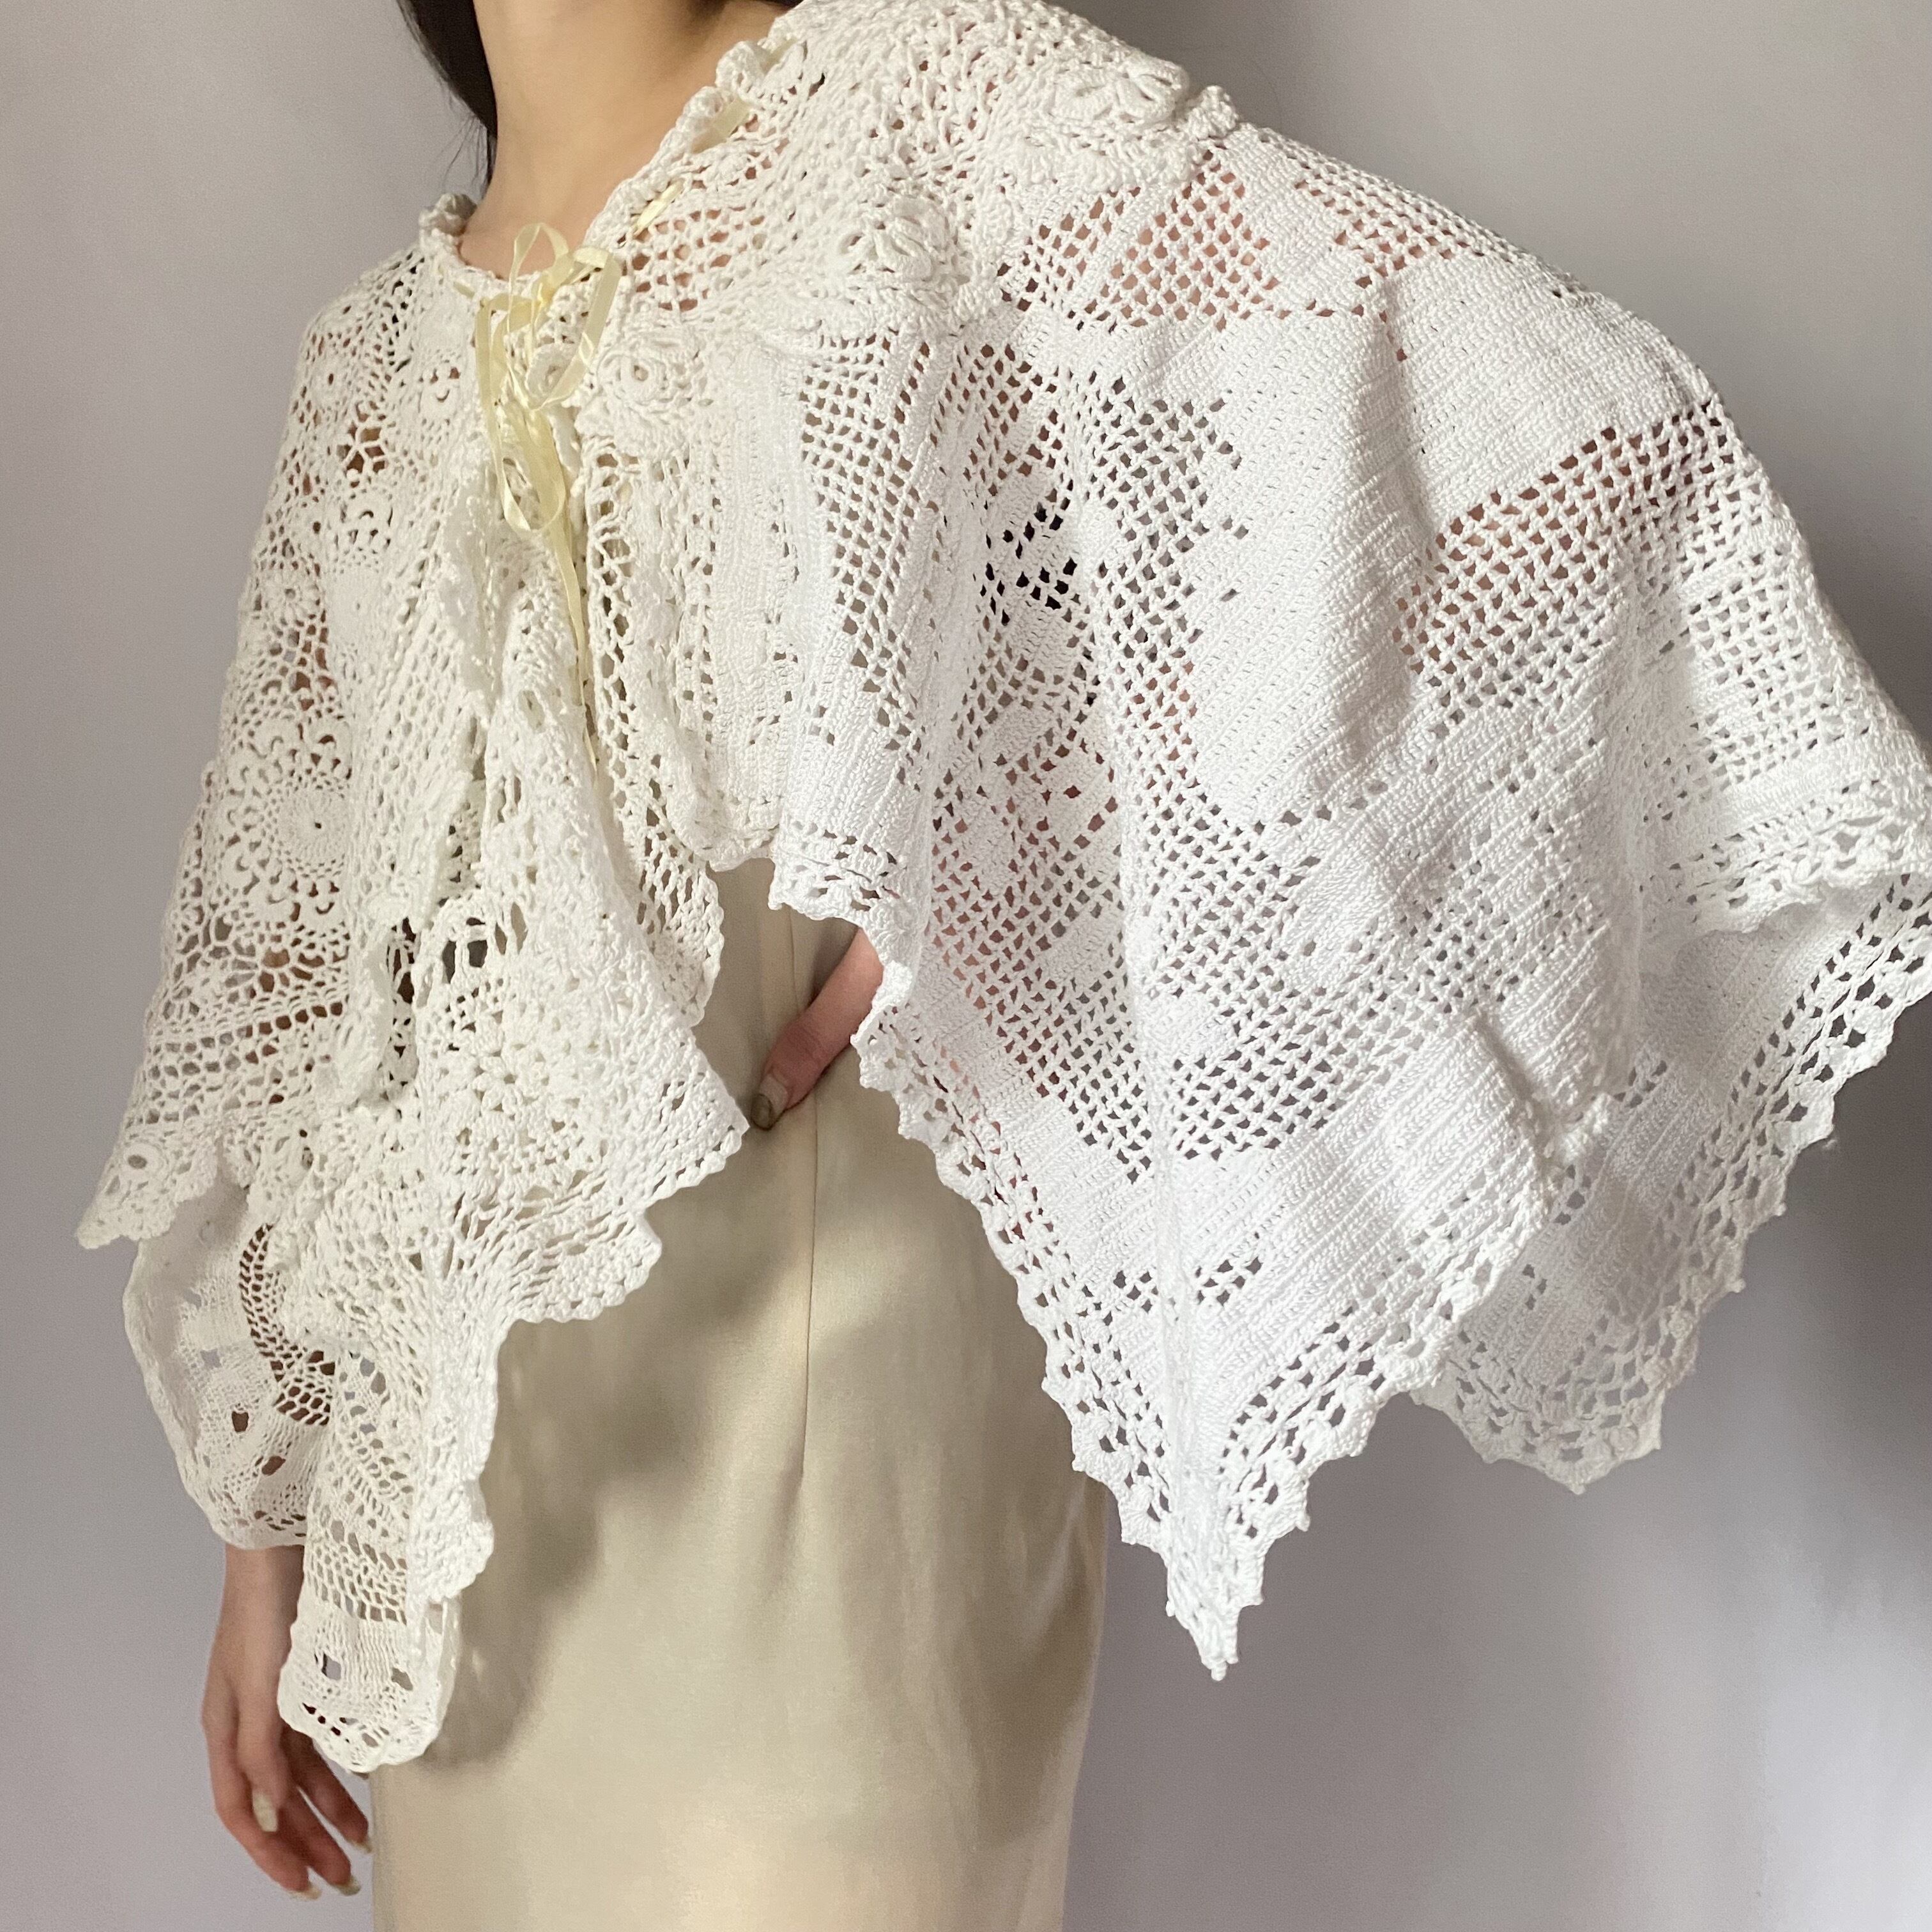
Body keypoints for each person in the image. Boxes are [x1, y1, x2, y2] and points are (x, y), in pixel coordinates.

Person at [75, 0, 1932, 1924]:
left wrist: (1011, 847)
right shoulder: (370, 365)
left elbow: (1552, 447)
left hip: (849, 1431)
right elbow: (304, 1005)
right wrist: (267, 1537)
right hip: (471, 1528)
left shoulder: (933, 114)